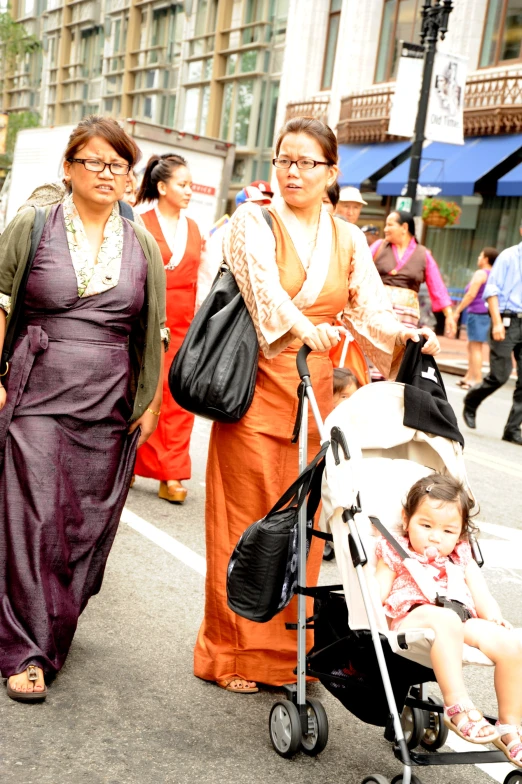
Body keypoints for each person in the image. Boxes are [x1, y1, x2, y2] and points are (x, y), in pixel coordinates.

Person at [193, 116, 440, 694]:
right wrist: (309, 328)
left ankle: (288, 654)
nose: (293, 172)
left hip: (316, 396)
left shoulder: (349, 238)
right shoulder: (251, 221)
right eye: (284, 160)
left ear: (331, 173)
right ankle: (231, 654)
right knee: (244, 525)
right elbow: (264, 295)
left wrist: (407, 336)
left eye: (307, 162)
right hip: (256, 391)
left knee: (305, 528)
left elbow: (371, 310)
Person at [0, 115, 167, 701]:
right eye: (93, 161)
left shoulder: (142, 242)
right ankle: (26, 650)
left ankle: (49, 617)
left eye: (117, 164)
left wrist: (146, 400)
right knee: (35, 515)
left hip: (108, 402)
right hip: (37, 392)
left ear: (130, 177)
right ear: (69, 168)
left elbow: (153, 329)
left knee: (80, 528)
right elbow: (1, 300)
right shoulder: (32, 224)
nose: (105, 172)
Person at [375, 473, 522, 763]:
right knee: (446, 620)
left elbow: (480, 593)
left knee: (510, 643)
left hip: (459, 617)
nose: (435, 537)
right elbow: (378, 589)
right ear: (406, 520)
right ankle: (456, 706)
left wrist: (494, 616)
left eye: (447, 531)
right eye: (426, 525)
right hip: (414, 616)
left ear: (460, 534)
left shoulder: (460, 555)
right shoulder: (396, 549)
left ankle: (510, 725)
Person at [132, 153, 202, 503]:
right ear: (162, 187)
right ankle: (128, 461)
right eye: (183, 184)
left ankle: (171, 473)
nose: (190, 191)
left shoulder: (195, 228)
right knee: (138, 393)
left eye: (190, 185)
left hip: (184, 328)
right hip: (144, 323)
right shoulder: (138, 222)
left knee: (178, 399)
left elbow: (201, 282)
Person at [463, 228, 522, 445]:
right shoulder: (508, 256)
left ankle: (512, 429)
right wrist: (497, 322)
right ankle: (471, 400)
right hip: (506, 320)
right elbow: (492, 291)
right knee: (500, 375)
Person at [371, 211, 456, 335]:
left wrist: (449, 315)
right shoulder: (379, 246)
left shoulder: (423, 254)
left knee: (400, 351)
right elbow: (359, 269)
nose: (385, 229)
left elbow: (437, 286)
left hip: (406, 317)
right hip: (376, 311)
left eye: (390, 225)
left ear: (404, 227)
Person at [195, 184, 271, 310]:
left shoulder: (262, 234)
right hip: (221, 305)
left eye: (261, 205)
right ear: (240, 207)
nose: (259, 210)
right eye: (255, 205)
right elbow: (208, 275)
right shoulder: (222, 234)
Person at [452, 247, 499, 390]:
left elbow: (471, 294)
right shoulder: (494, 274)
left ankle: (477, 381)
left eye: (480, 255)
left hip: (477, 314)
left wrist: (457, 311)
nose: (478, 258)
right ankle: (468, 376)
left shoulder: (481, 273)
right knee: (471, 346)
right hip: (486, 314)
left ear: (485, 259)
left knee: (476, 347)